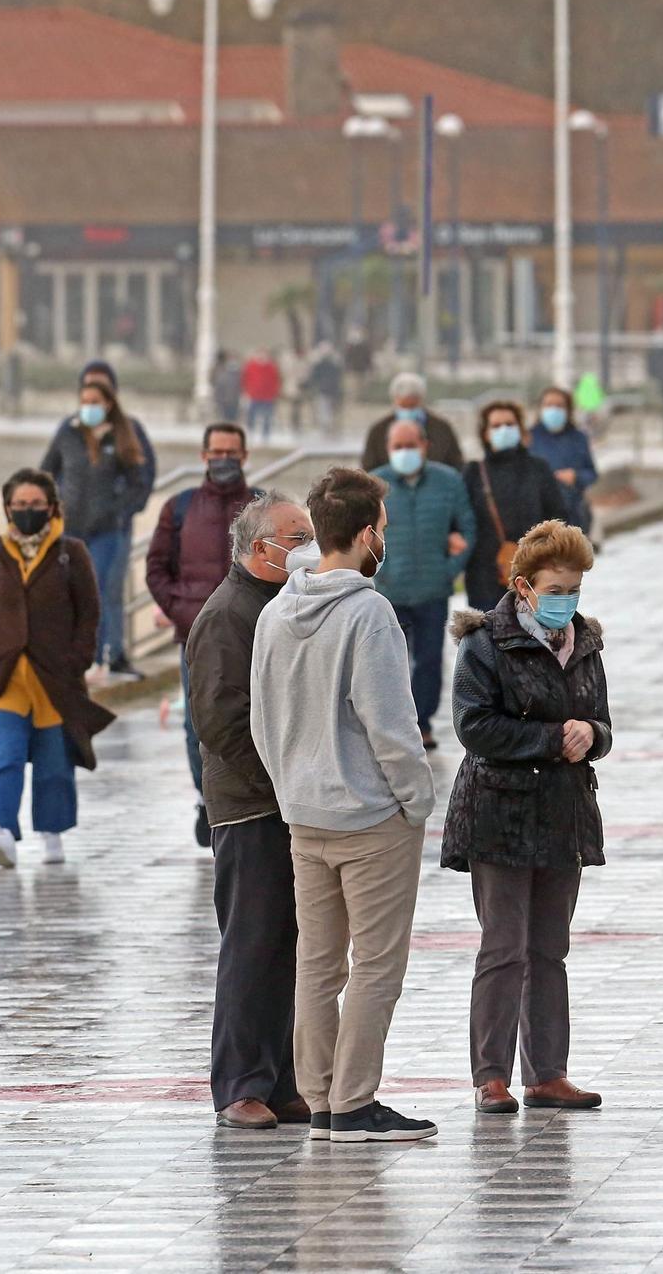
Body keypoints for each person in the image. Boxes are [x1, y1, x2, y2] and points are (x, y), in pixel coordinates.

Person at [249, 467, 440, 1144]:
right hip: (370, 819)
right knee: (376, 967)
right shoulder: (368, 613)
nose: (383, 538)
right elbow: (391, 724)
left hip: (303, 814)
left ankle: (321, 1099)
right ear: (365, 534)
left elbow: (262, 720)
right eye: (382, 528)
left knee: (318, 965)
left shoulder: (276, 612)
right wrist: (418, 802)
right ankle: (356, 1102)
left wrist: (289, 788)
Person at [445, 520, 611, 1116]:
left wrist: (590, 734)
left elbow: (604, 725)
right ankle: (490, 1075)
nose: (567, 600)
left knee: (549, 949)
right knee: (504, 946)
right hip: (498, 812)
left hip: (564, 813)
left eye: (576, 588)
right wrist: (549, 739)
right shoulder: (485, 642)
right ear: (523, 587)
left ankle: (547, 1073)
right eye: (557, 588)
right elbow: (472, 726)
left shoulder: (585, 641)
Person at [187, 491, 316, 1132]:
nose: (307, 547)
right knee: (252, 944)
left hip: (296, 803)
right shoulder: (228, 613)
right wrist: (281, 783)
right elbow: (220, 722)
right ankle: (240, 1083)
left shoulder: (287, 604)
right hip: (251, 808)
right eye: (295, 537)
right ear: (257, 546)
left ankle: (283, 1078)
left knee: (293, 945)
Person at [0, 469, 114, 869]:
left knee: (53, 761)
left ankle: (52, 832)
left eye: (35, 504)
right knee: (6, 755)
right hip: (6, 678)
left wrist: (78, 658)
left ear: (51, 507)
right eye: (19, 505)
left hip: (55, 678)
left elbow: (89, 613)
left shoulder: (71, 552)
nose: (27, 511)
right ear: (7, 507)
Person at [148, 423, 259, 846]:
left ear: (245, 455)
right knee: (199, 724)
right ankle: (207, 798)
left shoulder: (262, 506)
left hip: (254, 636)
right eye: (216, 452)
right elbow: (157, 568)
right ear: (203, 456)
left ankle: (249, 799)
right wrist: (181, 611)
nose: (223, 459)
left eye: (231, 452)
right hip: (195, 638)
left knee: (253, 720)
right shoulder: (179, 507)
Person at [40, 371, 154, 681]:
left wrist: (121, 511)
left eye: (95, 402)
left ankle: (102, 655)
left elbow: (139, 481)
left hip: (107, 531)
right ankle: (73, 655)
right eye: (84, 401)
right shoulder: (68, 432)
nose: (88, 407)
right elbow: (46, 470)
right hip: (70, 528)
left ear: (108, 404)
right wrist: (51, 507)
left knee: (100, 591)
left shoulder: (123, 434)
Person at [373, 417, 477, 749]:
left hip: (433, 588)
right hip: (390, 590)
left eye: (410, 445)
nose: (405, 452)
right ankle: (391, 724)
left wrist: (450, 569)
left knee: (430, 660)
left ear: (425, 446)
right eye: (397, 447)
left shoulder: (448, 481)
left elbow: (468, 527)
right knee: (388, 661)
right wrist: (378, 573)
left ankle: (423, 723)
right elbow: (363, 534)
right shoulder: (376, 484)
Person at [464, 401, 569, 613]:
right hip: (486, 579)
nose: (503, 430)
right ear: (485, 433)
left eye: (509, 424)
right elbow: (463, 523)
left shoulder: (538, 469)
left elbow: (559, 518)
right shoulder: (473, 473)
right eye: (496, 425)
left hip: (535, 576)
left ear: (520, 430)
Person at [526, 386, 599, 530]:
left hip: (573, 515)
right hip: (538, 517)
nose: (553, 410)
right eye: (548, 405)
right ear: (540, 408)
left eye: (559, 405)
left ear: (568, 410)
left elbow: (591, 473)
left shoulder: (578, 438)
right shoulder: (529, 438)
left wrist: (575, 476)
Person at [359, 372, 464, 471]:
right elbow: (368, 467)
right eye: (403, 406)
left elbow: (456, 463)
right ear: (395, 400)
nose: (408, 411)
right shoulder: (378, 431)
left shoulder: (442, 428)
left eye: (412, 406)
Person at [240, 347, 282, 443]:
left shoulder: (272, 367)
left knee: (267, 417)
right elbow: (245, 379)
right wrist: (247, 391)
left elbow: (276, 380)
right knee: (251, 415)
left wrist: (274, 393)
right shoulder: (250, 366)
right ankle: (251, 432)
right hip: (254, 396)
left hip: (268, 397)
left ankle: (265, 435)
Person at [306, 341, 344, 433]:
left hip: (328, 391)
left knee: (327, 410)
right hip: (325, 391)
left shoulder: (331, 365)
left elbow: (337, 377)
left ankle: (328, 426)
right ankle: (327, 426)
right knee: (325, 409)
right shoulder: (324, 365)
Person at [212, 350, 243, 425]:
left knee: (233, 418)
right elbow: (217, 384)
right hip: (223, 399)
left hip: (234, 399)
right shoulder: (220, 370)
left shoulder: (239, 372)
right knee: (225, 418)